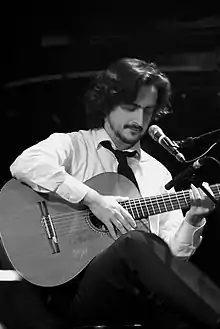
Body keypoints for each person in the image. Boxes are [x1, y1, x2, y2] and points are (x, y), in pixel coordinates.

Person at [9, 58, 220, 328]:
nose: (139, 119)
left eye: (147, 110)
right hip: (72, 293)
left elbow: (171, 264)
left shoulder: (158, 174)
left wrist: (192, 221)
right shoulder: (74, 145)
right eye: (131, 107)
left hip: (139, 301)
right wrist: (93, 200)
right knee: (135, 242)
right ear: (107, 103)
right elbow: (25, 164)